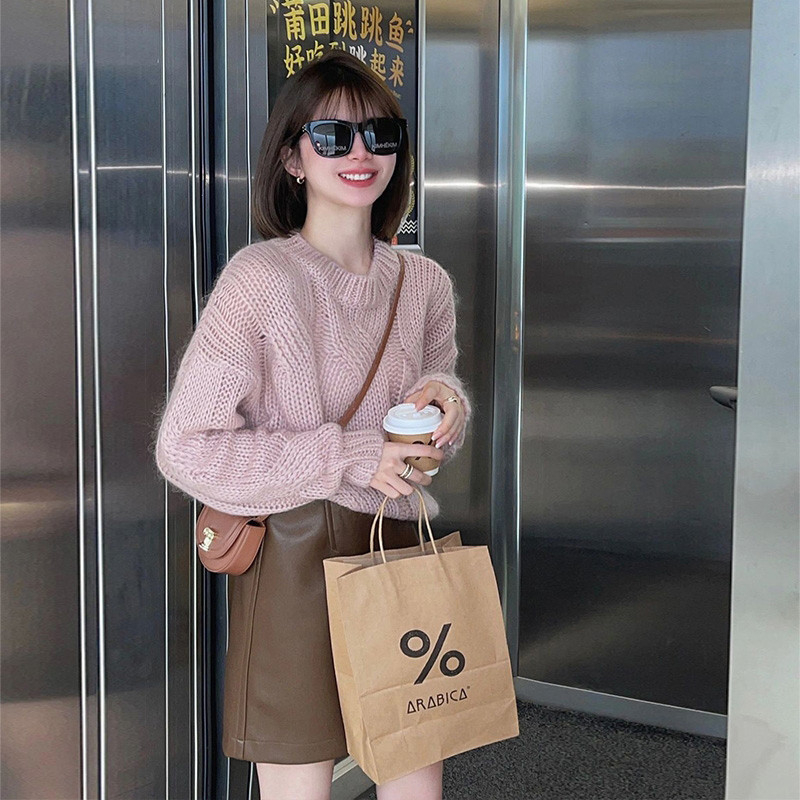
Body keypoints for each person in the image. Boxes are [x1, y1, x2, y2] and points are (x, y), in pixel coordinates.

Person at [155, 50, 471, 800]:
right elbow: (185, 447)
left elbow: (428, 419)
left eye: (380, 135)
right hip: (294, 562)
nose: (360, 154)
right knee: (300, 785)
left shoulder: (424, 282)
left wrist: (444, 408)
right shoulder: (259, 281)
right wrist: (352, 455)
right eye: (333, 136)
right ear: (292, 158)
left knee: (415, 773)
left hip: (397, 544)